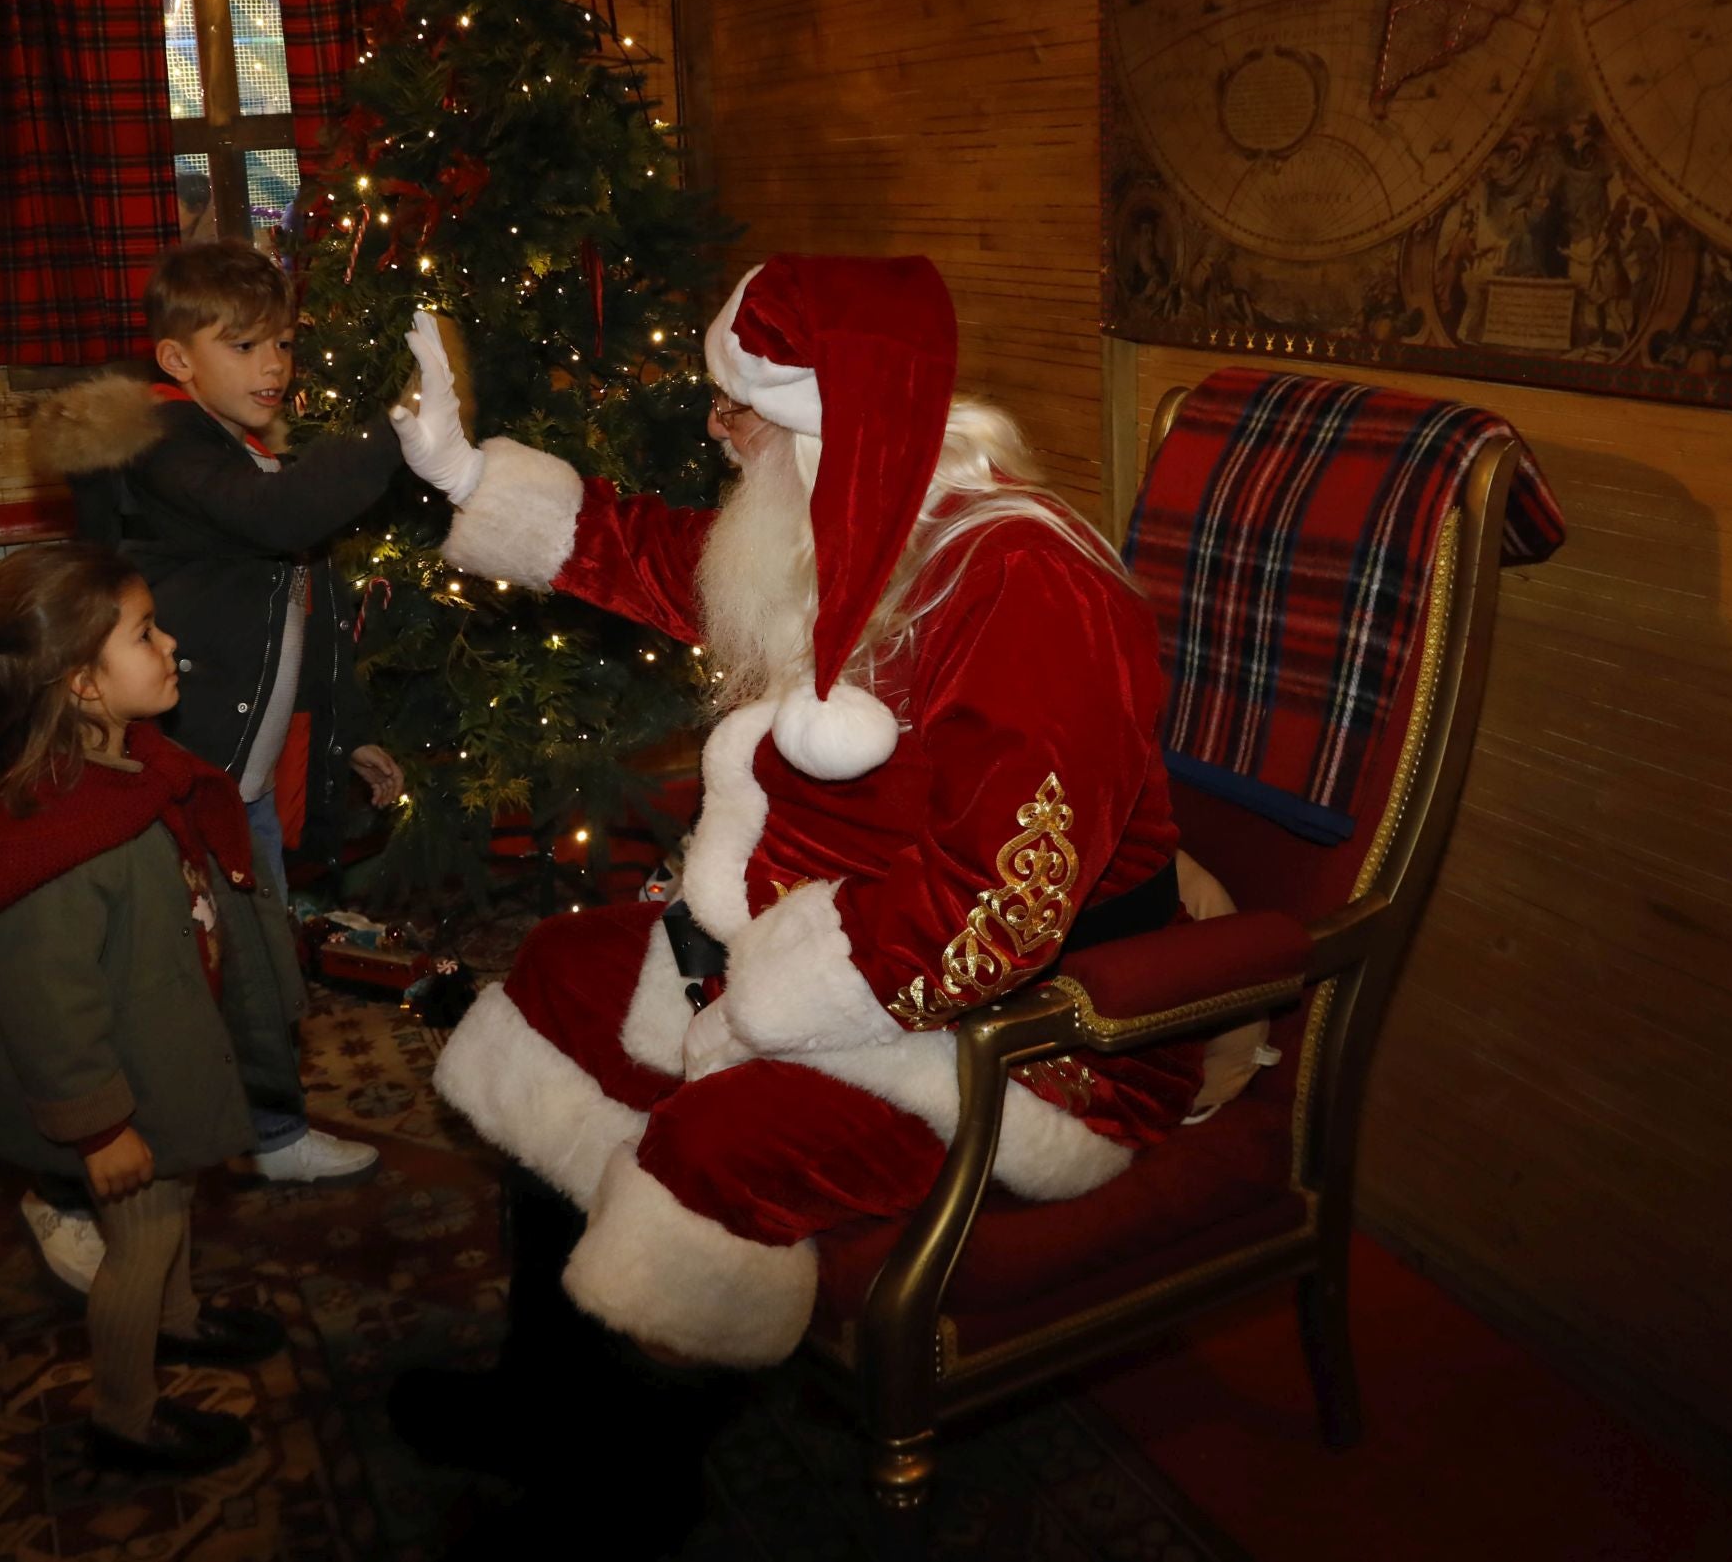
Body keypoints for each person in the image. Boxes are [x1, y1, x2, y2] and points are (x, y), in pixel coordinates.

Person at [383, 254, 1212, 1550]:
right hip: (824, 932)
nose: (715, 430)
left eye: (742, 408)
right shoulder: (853, 520)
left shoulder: (1027, 584)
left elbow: (1012, 892)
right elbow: (680, 562)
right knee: (559, 980)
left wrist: (767, 1000)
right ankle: (542, 1403)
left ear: (848, 415)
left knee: (717, 1147)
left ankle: (621, 1501)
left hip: (1033, 1026)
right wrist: (473, 479)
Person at [21, 240, 421, 1286]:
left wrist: (351, 727)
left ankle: (276, 1129)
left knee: (255, 975)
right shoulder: (165, 443)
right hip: (169, 786)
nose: (273, 363)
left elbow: (305, 617)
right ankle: (61, 1185)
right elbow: (279, 522)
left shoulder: (245, 445)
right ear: (175, 358)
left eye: (282, 340)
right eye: (241, 343)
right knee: (146, 990)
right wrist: (404, 429)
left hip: (233, 787)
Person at [0, 543, 292, 1473]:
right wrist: (99, 1129)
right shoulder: (49, 837)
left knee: (171, 1212)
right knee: (139, 1243)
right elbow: (46, 1008)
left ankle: (180, 1321)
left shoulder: (130, 765)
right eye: (145, 632)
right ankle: (124, 1416)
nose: (170, 643)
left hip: (159, 1048)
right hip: (114, 1089)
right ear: (83, 685)